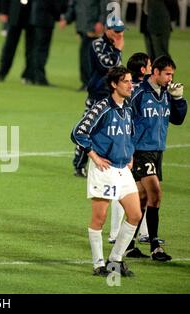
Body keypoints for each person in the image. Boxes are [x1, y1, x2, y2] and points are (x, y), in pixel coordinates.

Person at [71, 66, 141, 277]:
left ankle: (115, 260)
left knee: (135, 214)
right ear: (114, 84)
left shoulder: (127, 107)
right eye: (126, 82)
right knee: (99, 218)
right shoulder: (102, 107)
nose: (131, 85)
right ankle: (98, 264)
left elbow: (130, 134)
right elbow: (78, 132)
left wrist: (130, 155)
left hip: (123, 170)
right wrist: (93, 156)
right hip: (105, 169)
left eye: (131, 81)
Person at [128, 55, 187, 261]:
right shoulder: (138, 93)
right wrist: (126, 151)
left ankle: (128, 244)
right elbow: (126, 118)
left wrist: (179, 99)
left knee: (143, 198)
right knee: (156, 194)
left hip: (158, 151)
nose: (170, 78)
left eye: (172, 74)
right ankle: (155, 246)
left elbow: (178, 120)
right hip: (141, 151)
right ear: (155, 73)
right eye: (167, 74)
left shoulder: (167, 94)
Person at [108, 52, 152, 248]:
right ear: (143, 69)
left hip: (133, 145)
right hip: (133, 146)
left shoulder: (132, 89)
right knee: (128, 189)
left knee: (135, 191)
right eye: (150, 65)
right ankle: (120, 233)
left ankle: (139, 232)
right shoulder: (137, 90)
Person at [72, 16, 124, 177]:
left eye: (121, 32)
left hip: (112, 96)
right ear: (107, 30)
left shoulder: (115, 45)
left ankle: (113, 163)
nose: (119, 35)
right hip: (97, 95)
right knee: (87, 129)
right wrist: (117, 50)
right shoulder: (97, 44)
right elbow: (106, 66)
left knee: (113, 130)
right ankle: (79, 165)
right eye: (116, 31)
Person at [0, 0, 64, 86]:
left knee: (31, 47)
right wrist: (4, 11)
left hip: (32, 14)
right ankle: (1, 73)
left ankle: (27, 75)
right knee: (9, 46)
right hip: (16, 12)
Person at [59, 0, 106, 91]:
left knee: (90, 56)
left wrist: (101, 22)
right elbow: (73, 6)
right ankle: (87, 83)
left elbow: (105, 6)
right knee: (85, 56)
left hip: (93, 27)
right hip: (84, 27)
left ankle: (93, 83)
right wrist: (66, 19)